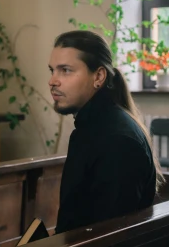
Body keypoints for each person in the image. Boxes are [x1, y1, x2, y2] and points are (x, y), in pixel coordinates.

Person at [48, 30, 163, 234]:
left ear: (99, 76)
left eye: (65, 70)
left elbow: (108, 235)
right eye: (52, 71)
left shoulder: (116, 140)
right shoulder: (93, 126)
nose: (53, 81)